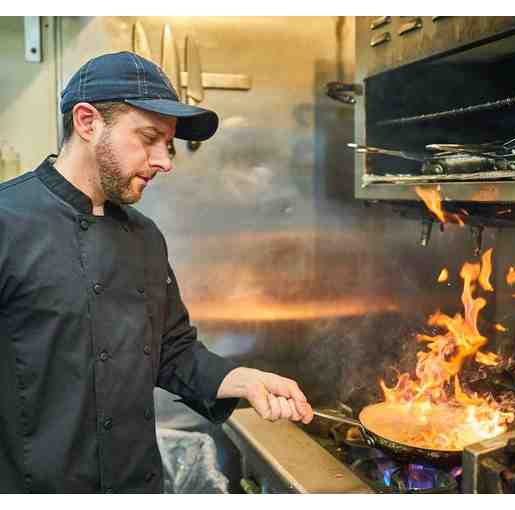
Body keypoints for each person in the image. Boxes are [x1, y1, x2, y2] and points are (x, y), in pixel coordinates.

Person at [0, 51, 313, 494]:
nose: (165, 161)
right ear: (87, 122)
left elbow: (171, 349)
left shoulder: (145, 236)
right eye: (149, 138)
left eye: (168, 144)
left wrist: (240, 379)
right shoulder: (7, 222)